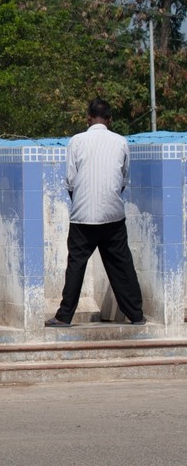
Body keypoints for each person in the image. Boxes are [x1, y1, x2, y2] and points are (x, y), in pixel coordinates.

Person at [46, 98, 145, 327]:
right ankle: (136, 315)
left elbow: (70, 180)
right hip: (113, 214)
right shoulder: (121, 142)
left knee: (76, 265)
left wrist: (82, 202)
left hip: (82, 216)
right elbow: (123, 178)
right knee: (121, 264)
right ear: (109, 120)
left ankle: (64, 316)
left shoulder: (77, 141)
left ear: (88, 118)